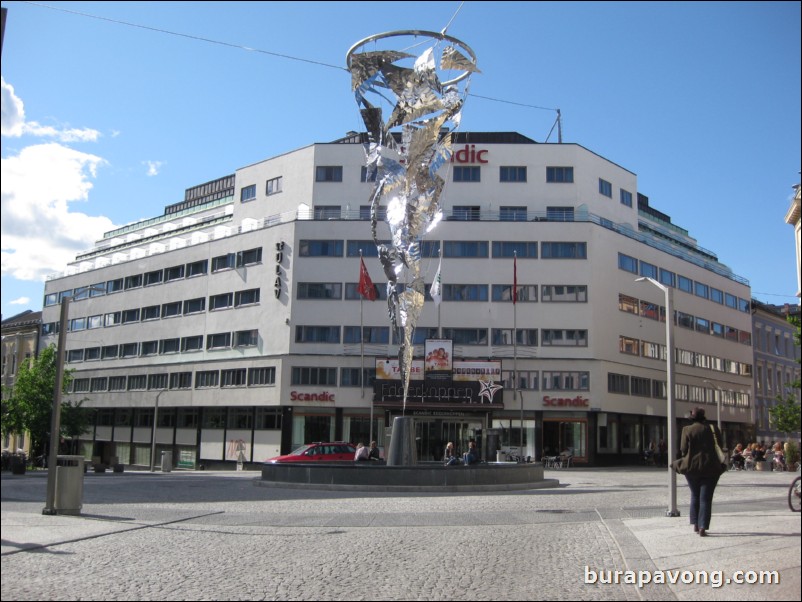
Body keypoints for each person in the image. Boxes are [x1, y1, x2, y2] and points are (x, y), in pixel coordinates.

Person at [673, 407, 727, 537]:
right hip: (711, 467)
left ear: (692, 417)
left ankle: (695, 524)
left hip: (692, 467)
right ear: (704, 417)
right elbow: (719, 446)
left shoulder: (687, 430)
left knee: (695, 495)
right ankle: (703, 526)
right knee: (706, 499)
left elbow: (683, 450)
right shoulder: (713, 429)